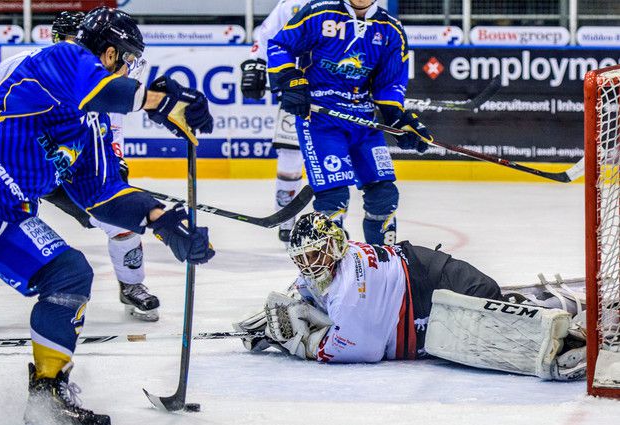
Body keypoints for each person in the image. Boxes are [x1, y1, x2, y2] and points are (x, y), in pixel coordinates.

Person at [0, 7, 214, 425]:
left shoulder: (88, 130)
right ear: (111, 51)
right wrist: (161, 101)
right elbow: (104, 87)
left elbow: (103, 197)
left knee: (69, 274)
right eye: (129, 59)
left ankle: (47, 404)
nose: (132, 69)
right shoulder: (63, 58)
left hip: (1, 210)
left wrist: (163, 221)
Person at [0, 11, 160, 328]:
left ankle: (131, 285)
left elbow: (111, 128)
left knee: (120, 218)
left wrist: (115, 163)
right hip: (15, 164)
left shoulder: (97, 81)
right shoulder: (26, 64)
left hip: (67, 172)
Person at [235, 212, 587, 381]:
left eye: (315, 254)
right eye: (303, 258)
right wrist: (278, 314)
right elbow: (303, 292)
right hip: (422, 286)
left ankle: (570, 330)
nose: (310, 265)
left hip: (435, 283)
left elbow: (362, 349)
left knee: (492, 328)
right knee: (477, 328)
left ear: (334, 245)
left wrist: (304, 344)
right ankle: (543, 310)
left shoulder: (349, 289)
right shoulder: (336, 265)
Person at [266, 0, 433, 246]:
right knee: (334, 199)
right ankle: (332, 274)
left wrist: (398, 118)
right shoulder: (320, 12)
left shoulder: (390, 29)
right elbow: (280, 44)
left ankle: (384, 267)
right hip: (321, 119)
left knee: (385, 196)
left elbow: (389, 85)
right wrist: (290, 79)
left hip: (363, 121)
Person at [240, 0, 311, 243]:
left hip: (334, 92)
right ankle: (286, 217)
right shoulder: (292, 4)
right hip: (295, 89)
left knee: (330, 157)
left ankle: (332, 217)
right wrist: (255, 65)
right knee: (290, 153)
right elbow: (267, 34)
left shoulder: (345, 4)